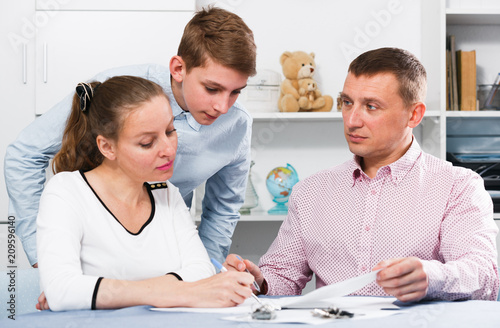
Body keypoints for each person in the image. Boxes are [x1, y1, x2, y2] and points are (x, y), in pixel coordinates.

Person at [225, 47, 499, 302]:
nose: (352, 120)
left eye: (371, 106)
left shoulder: (458, 187)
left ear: (414, 115)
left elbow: (485, 276)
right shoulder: (310, 192)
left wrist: (431, 278)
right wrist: (258, 281)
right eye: (346, 102)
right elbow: (282, 277)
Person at [4, 6, 256, 266]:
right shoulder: (116, 91)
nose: (223, 107)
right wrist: (40, 253)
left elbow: (223, 210)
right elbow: (24, 154)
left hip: (163, 256)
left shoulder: (235, 125)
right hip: (93, 249)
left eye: (236, 92)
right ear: (178, 69)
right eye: (212, 89)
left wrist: (207, 271)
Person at [36, 76, 254, 311]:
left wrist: (96, 292)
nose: (169, 150)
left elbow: (200, 272)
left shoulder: (166, 193)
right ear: (107, 147)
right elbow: (62, 291)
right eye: (147, 143)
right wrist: (176, 291)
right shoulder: (65, 192)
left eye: (170, 131)